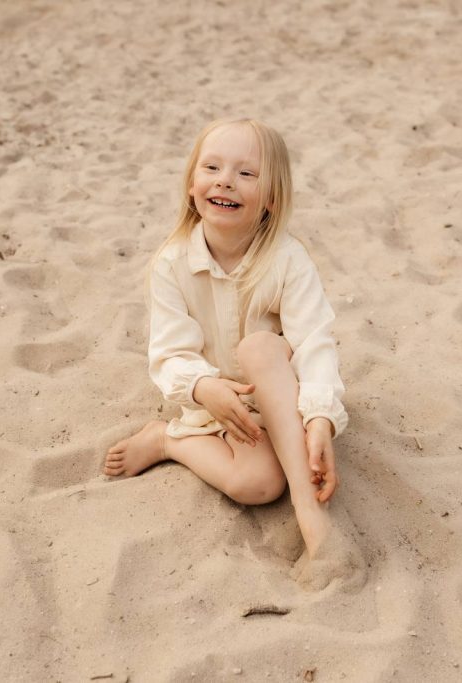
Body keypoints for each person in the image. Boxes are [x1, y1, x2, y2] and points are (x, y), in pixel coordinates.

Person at [104, 118, 348, 561]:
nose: (225, 182)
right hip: (220, 404)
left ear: (272, 197)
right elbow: (170, 353)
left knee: (259, 347)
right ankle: (166, 440)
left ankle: (311, 515)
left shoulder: (288, 261)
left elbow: (315, 344)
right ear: (192, 186)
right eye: (211, 168)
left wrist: (320, 419)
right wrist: (202, 388)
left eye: (246, 173)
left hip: (283, 403)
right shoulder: (172, 264)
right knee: (255, 486)